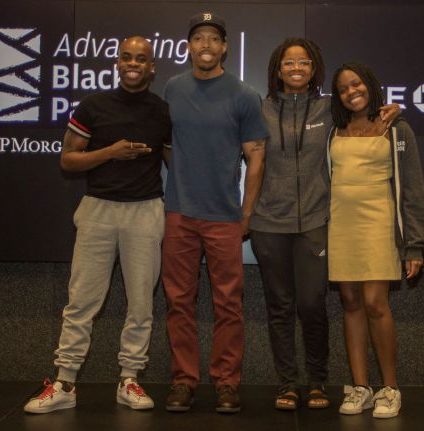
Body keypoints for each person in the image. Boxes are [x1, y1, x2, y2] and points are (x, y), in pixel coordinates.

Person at [250, 39, 402, 411]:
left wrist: (394, 110)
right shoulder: (261, 109)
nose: (297, 67)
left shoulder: (329, 110)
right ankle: (288, 383)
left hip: (317, 222)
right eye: (289, 62)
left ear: (314, 68)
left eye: (304, 61)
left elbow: (364, 120)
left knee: (312, 304)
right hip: (269, 221)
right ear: (278, 68)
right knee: (280, 306)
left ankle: (317, 381)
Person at [23, 36, 171, 414]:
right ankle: (65, 383)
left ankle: (129, 380)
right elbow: (68, 161)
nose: (133, 63)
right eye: (127, 57)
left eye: (142, 58)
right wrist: (111, 152)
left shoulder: (162, 111)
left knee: (141, 304)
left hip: (145, 211)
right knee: (81, 302)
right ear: (117, 64)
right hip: (98, 210)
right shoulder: (93, 106)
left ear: (152, 67)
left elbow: (177, 162)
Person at [161, 12, 268, 414]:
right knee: (178, 301)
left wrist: (246, 213)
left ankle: (226, 382)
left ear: (225, 47)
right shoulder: (172, 88)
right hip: (180, 214)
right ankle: (184, 381)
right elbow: (166, 146)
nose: (206, 45)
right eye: (198, 38)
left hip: (225, 217)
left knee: (228, 305)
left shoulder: (243, 95)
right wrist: (185, 179)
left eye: (213, 39)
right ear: (188, 46)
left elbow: (256, 158)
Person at [327, 62, 424, 419]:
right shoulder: (332, 128)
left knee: (375, 302)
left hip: (379, 223)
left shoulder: (396, 128)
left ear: (369, 85)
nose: (351, 91)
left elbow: (413, 188)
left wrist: (414, 243)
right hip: (340, 224)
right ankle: (360, 388)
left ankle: (390, 388)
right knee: (351, 302)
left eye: (356, 84)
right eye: (342, 88)